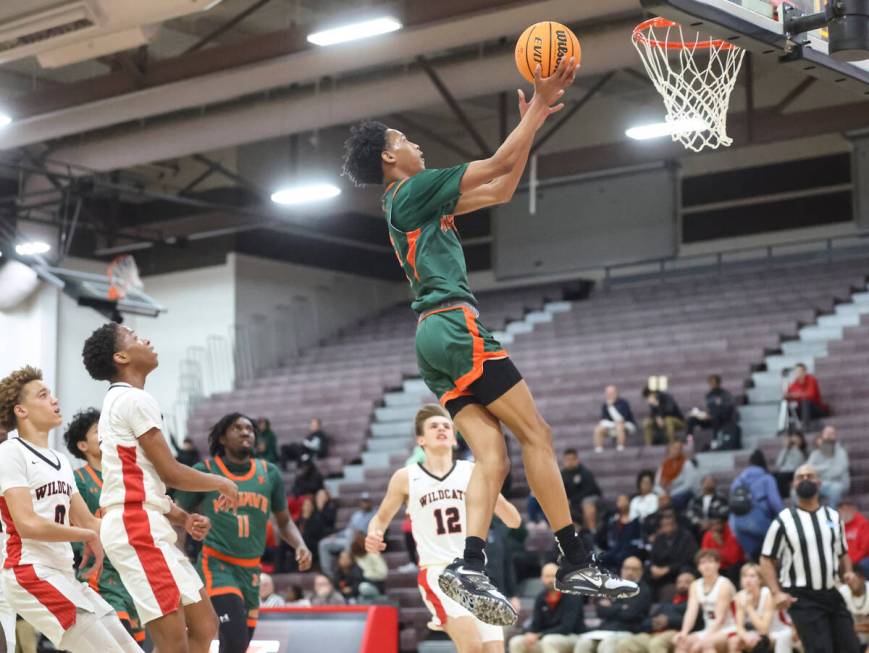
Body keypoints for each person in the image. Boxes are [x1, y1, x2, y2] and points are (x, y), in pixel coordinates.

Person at [343, 55, 638, 625]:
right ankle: (576, 556)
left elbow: (502, 189)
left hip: (430, 338)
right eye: (405, 139)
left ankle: (469, 564)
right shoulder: (410, 192)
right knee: (539, 434)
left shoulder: (415, 204)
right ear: (388, 156)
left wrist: (538, 121)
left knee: (493, 455)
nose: (417, 147)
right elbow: (499, 159)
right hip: (455, 326)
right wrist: (539, 108)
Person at [82, 322, 240, 653]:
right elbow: (170, 472)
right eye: (136, 338)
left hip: (146, 521)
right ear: (122, 356)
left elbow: (143, 478)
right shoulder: (132, 399)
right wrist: (222, 482)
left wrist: (182, 517)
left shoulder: (125, 400)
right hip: (135, 526)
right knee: (173, 643)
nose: (147, 340)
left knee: (205, 626)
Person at [0, 366, 140, 653]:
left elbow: (88, 520)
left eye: (50, 393)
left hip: (65, 573)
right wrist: (86, 534)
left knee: (132, 649)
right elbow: (28, 524)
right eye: (43, 395)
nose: (53, 399)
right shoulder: (10, 453)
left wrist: (145, 530)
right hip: (30, 571)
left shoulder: (60, 460)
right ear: (21, 411)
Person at [366, 404, 522, 652]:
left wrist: (495, 490)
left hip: (474, 573)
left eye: (446, 426)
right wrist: (374, 533)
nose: (441, 429)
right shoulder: (406, 477)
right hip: (438, 572)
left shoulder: (472, 471)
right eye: (434, 426)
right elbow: (380, 519)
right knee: (471, 646)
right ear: (421, 439)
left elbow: (514, 520)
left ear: (453, 437)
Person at [174, 412, 312, 653]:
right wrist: (179, 558)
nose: (246, 432)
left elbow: (284, 521)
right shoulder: (204, 470)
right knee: (235, 636)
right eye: (237, 428)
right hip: (217, 565)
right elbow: (177, 516)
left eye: (249, 428)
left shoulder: (269, 473)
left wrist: (300, 544)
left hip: (251, 570)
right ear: (223, 438)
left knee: (239, 645)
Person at [63, 408, 147, 645]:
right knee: (120, 643)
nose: (106, 433)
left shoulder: (127, 476)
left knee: (137, 646)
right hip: (101, 573)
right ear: (82, 446)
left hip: (133, 571)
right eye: (98, 430)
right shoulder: (76, 479)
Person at [759, 463, 861, 653]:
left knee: (851, 648)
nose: (805, 479)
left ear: (819, 483)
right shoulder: (783, 520)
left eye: (810, 476)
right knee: (821, 649)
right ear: (793, 484)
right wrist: (776, 592)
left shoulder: (833, 516)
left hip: (832, 593)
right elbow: (766, 560)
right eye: (800, 477)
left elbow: (842, 551)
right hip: (802, 597)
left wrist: (848, 572)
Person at [574, 557, 651, 653]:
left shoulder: (643, 590)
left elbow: (630, 614)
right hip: (605, 629)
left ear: (641, 572)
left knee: (607, 644)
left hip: (628, 631)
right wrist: (621, 608)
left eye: (634, 569)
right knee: (583, 642)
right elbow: (600, 611)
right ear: (622, 570)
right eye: (627, 568)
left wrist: (611, 607)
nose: (630, 572)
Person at [506, 563, 585, 653]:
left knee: (548, 641)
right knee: (516, 641)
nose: (550, 580)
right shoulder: (541, 597)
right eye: (547, 576)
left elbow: (566, 627)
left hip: (573, 636)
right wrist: (527, 634)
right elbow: (536, 624)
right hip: (546, 637)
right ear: (541, 578)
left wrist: (539, 635)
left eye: (553, 576)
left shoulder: (572, 595)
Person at [616, 570, 697, 653]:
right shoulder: (667, 603)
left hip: (676, 633)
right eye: (679, 582)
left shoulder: (696, 602)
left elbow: (696, 622)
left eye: (687, 582)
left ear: (695, 584)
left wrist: (668, 621)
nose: (682, 585)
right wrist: (653, 622)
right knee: (625, 644)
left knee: (656, 644)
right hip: (653, 633)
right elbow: (646, 621)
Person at [674, 549, 737, 653]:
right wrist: (684, 632)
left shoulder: (724, 584)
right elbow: (691, 612)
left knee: (705, 645)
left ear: (718, 564)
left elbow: (720, 619)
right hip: (709, 629)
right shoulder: (695, 585)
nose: (706, 566)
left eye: (710, 562)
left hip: (728, 629)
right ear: (698, 567)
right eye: (703, 562)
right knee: (682, 644)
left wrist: (704, 638)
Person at [729, 450, 783, 560]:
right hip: (759, 522)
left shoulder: (738, 480)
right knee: (769, 556)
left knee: (754, 558)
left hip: (737, 523)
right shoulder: (766, 478)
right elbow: (774, 502)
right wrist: (785, 517)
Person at [729, 562, 793, 653]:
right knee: (735, 642)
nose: (748, 580)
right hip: (757, 633)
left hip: (776, 632)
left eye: (752, 576)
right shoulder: (739, 596)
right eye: (745, 576)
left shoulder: (767, 594)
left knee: (760, 642)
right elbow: (739, 626)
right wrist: (746, 636)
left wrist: (749, 607)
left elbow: (764, 629)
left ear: (760, 580)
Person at [647, 510, 698, 602]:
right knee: (646, 572)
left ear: (675, 524)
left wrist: (668, 569)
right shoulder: (659, 538)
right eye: (664, 525)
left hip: (677, 571)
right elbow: (652, 557)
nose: (667, 527)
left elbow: (688, 559)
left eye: (670, 524)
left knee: (685, 569)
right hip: (659, 573)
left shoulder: (686, 537)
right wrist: (653, 567)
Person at [319, 494, 375, 577]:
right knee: (323, 544)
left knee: (351, 536)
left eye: (367, 501)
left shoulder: (376, 515)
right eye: (363, 501)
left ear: (371, 502)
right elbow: (348, 529)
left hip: (363, 540)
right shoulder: (356, 515)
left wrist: (360, 534)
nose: (365, 503)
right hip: (348, 539)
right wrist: (336, 535)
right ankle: (328, 574)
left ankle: (346, 569)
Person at [685, 375, 739, 451]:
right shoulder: (709, 395)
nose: (712, 385)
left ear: (718, 383)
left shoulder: (725, 394)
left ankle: (715, 440)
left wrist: (713, 414)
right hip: (710, 419)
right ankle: (689, 440)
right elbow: (708, 409)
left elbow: (728, 408)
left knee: (716, 416)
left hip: (722, 419)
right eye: (710, 383)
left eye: (713, 382)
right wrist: (703, 414)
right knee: (692, 419)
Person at [806, 426, 850, 508]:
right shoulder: (815, 453)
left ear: (836, 436)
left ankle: (832, 516)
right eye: (827, 433)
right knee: (802, 490)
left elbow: (838, 471)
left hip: (837, 483)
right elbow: (809, 469)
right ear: (822, 436)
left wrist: (818, 472)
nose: (829, 436)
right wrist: (825, 467)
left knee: (835, 489)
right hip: (819, 483)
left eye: (832, 433)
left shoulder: (841, 452)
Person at [596, 494, 642, 572]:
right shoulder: (613, 519)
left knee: (619, 557)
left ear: (629, 502)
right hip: (615, 548)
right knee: (601, 558)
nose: (622, 503)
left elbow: (639, 538)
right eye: (620, 501)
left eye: (624, 500)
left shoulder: (636, 519)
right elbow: (608, 538)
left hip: (630, 548)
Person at [561, 449, 602, 533]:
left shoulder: (585, 472)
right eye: (567, 460)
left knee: (587, 503)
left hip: (588, 498)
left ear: (577, 460)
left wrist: (573, 500)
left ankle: (592, 531)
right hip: (572, 501)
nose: (570, 462)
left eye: (572, 459)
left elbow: (591, 490)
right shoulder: (562, 474)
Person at [700, 508, 745, 583]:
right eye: (712, 524)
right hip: (716, 567)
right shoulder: (708, 535)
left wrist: (720, 544)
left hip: (732, 568)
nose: (715, 526)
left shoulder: (732, 533)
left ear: (723, 523)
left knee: (733, 569)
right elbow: (704, 556)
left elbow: (733, 559)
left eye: (718, 523)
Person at [654, 440, 698, 512]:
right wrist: (662, 493)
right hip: (666, 493)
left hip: (682, 493)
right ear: (669, 449)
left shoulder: (687, 463)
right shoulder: (664, 464)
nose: (676, 450)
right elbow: (657, 483)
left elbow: (688, 485)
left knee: (677, 499)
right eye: (674, 448)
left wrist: (671, 494)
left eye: (679, 448)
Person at [594, 385, 637, 453]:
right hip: (612, 425)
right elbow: (604, 419)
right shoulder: (605, 405)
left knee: (620, 426)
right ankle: (599, 449)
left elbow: (622, 419)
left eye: (611, 393)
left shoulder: (623, 403)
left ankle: (620, 447)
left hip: (627, 424)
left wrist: (611, 407)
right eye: (608, 393)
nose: (610, 395)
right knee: (598, 428)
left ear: (616, 393)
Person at [838, 569, 869, 651]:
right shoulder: (842, 592)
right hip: (852, 638)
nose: (851, 582)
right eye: (847, 579)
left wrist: (852, 627)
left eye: (853, 578)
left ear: (862, 578)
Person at [839, 498, 869, 578]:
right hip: (843, 559)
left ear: (854, 509)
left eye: (848, 508)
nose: (845, 511)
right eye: (842, 508)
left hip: (861, 558)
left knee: (864, 564)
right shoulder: (836, 523)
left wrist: (851, 561)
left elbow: (864, 549)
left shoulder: (863, 523)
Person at [772, 431, 807, 498]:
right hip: (784, 471)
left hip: (796, 471)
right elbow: (778, 464)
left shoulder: (803, 451)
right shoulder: (787, 450)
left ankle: (783, 497)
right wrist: (785, 448)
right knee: (772, 476)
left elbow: (798, 464)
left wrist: (796, 448)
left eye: (797, 439)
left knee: (782, 476)